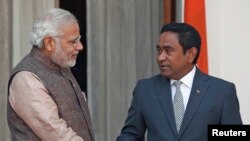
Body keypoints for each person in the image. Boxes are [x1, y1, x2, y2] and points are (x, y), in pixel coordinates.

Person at [116, 23, 242, 141]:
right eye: (159, 51)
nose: (160, 58)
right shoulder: (145, 90)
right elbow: (130, 136)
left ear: (190, 54)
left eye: (168, 51)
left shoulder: (222, 92)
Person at [7, 8, 94, 141]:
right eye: (73, 41)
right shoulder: (26, 78)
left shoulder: (61, 64)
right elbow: (58, 135)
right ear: (49, 43)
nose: (80, 46)